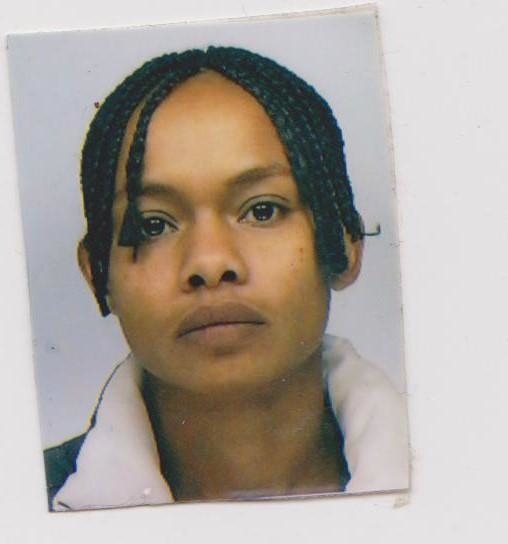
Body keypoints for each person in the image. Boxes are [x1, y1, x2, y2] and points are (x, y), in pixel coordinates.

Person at [43, 46, 408, 511]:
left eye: (262, 210)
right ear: (97, 272)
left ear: (345, 242)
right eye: (153, 225)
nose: (210, 263)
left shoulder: (465, 466)